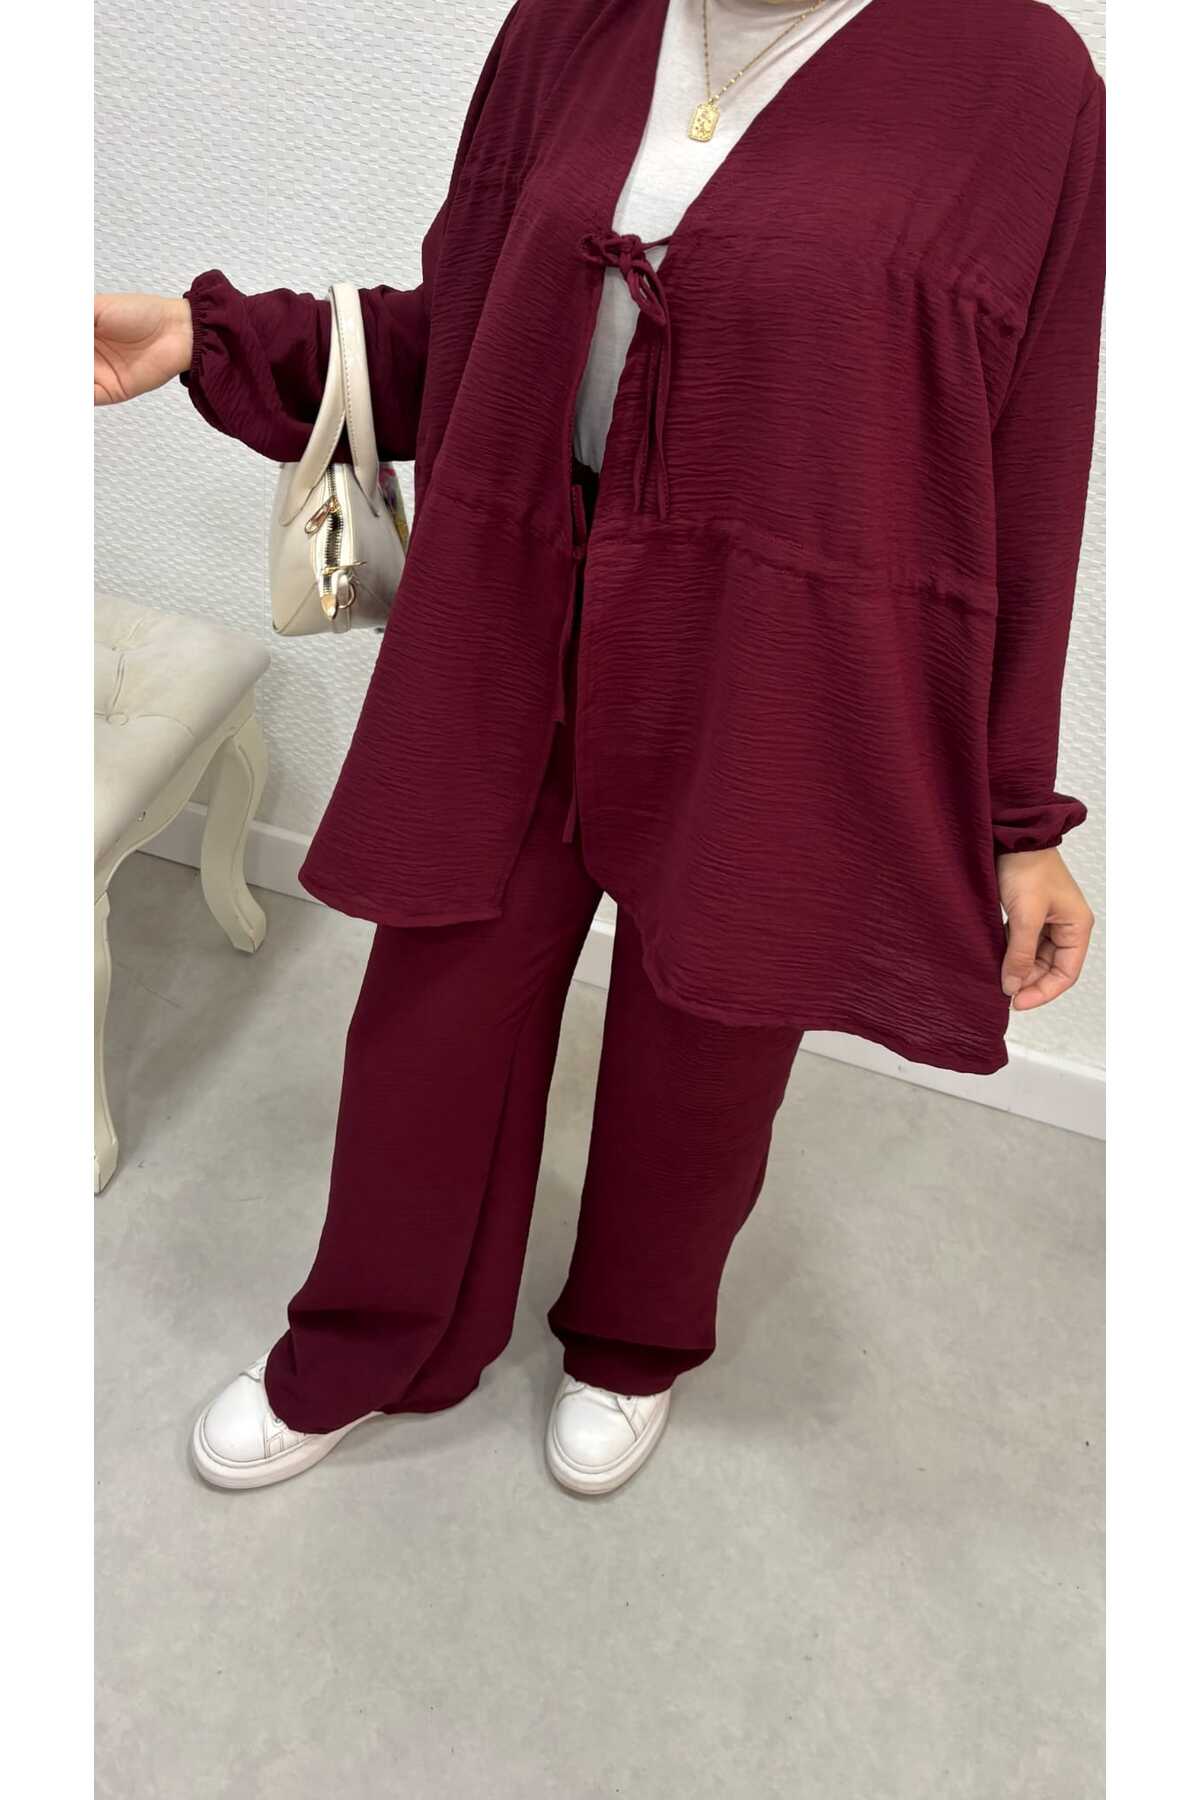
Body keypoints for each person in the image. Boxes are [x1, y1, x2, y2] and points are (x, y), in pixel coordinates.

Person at [94, 0, 1104, 1496]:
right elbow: (471, 329)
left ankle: (635, 1341)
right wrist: (216, 337)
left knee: (713, 1029)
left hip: (784, 645)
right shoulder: (574, 22)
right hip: (522, 598)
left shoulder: (1019, 78)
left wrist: (1018, 816)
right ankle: (376, 1339)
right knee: (438, 1001)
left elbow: (1024, 468)